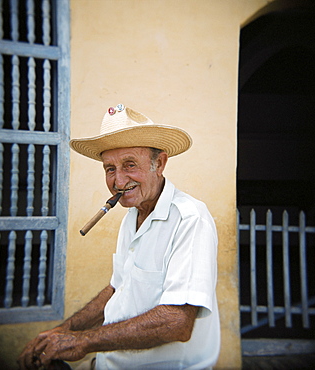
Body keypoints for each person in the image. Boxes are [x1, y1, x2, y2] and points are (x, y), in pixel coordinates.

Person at [17, 104, 220, 370]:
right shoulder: (131, 217)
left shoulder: (189, 218)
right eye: (110, 169)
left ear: (159, 163)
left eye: (130, 165)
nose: (119, 181)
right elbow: (117, 289)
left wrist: (83, 342)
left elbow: (177, 321)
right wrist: (62, 331)